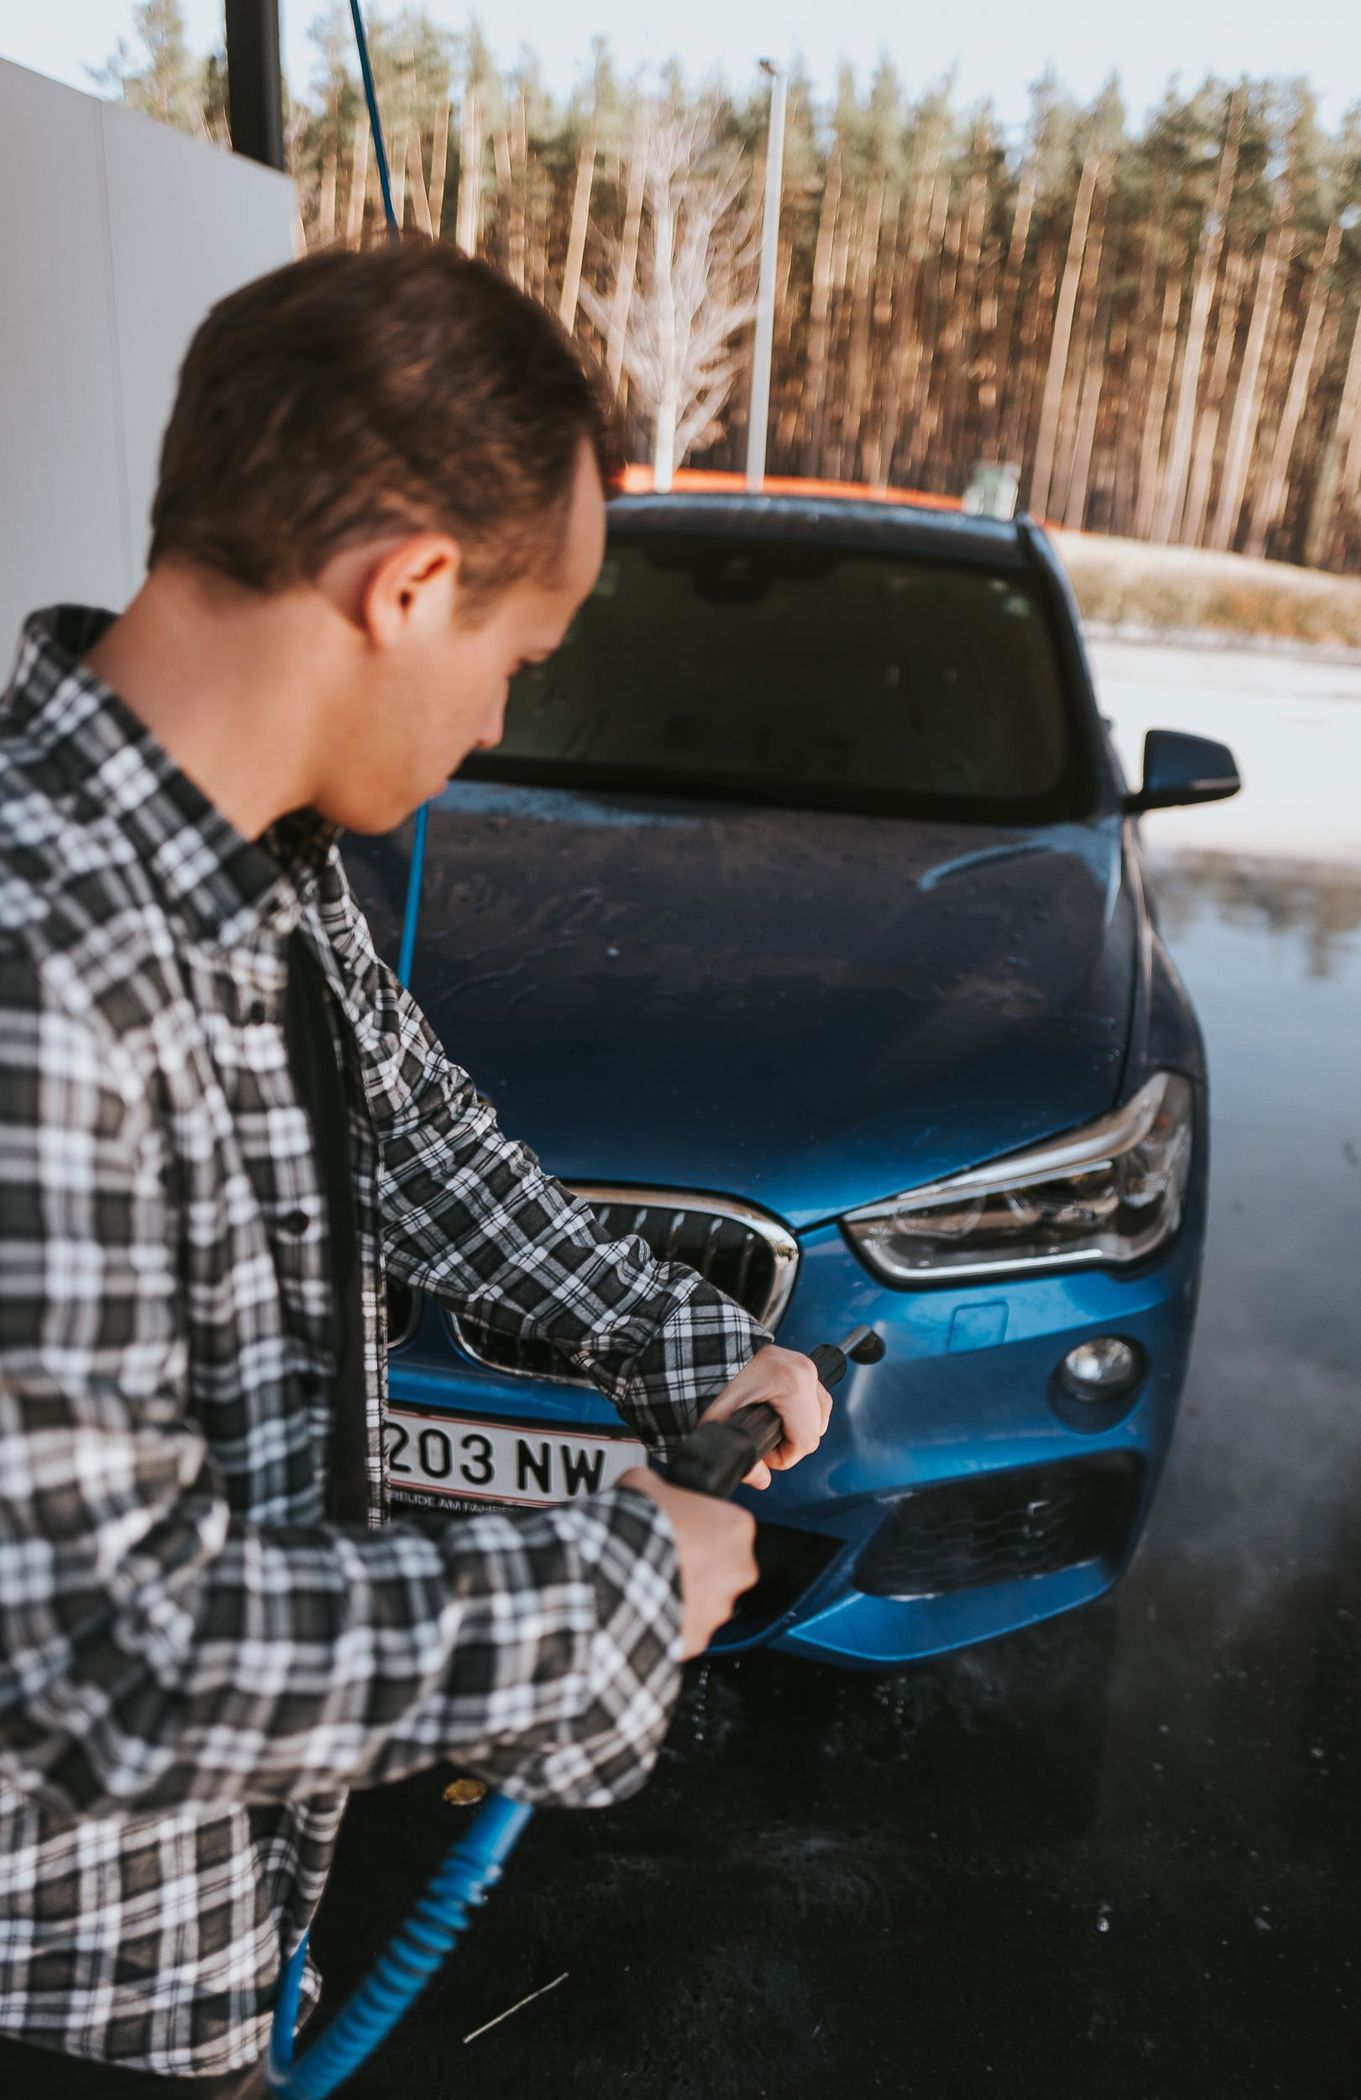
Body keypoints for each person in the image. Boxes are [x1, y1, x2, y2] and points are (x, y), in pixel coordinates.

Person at [0, 239, 829, 2095]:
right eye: (516, 658)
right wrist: (603, 1596)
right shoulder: (36, 972)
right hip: (62, 1997)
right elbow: (97, 1657)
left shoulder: (255, 864)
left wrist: (678, 1349)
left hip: (227, 1911)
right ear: (413, 584)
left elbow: (422, 1140)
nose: (498, 725)